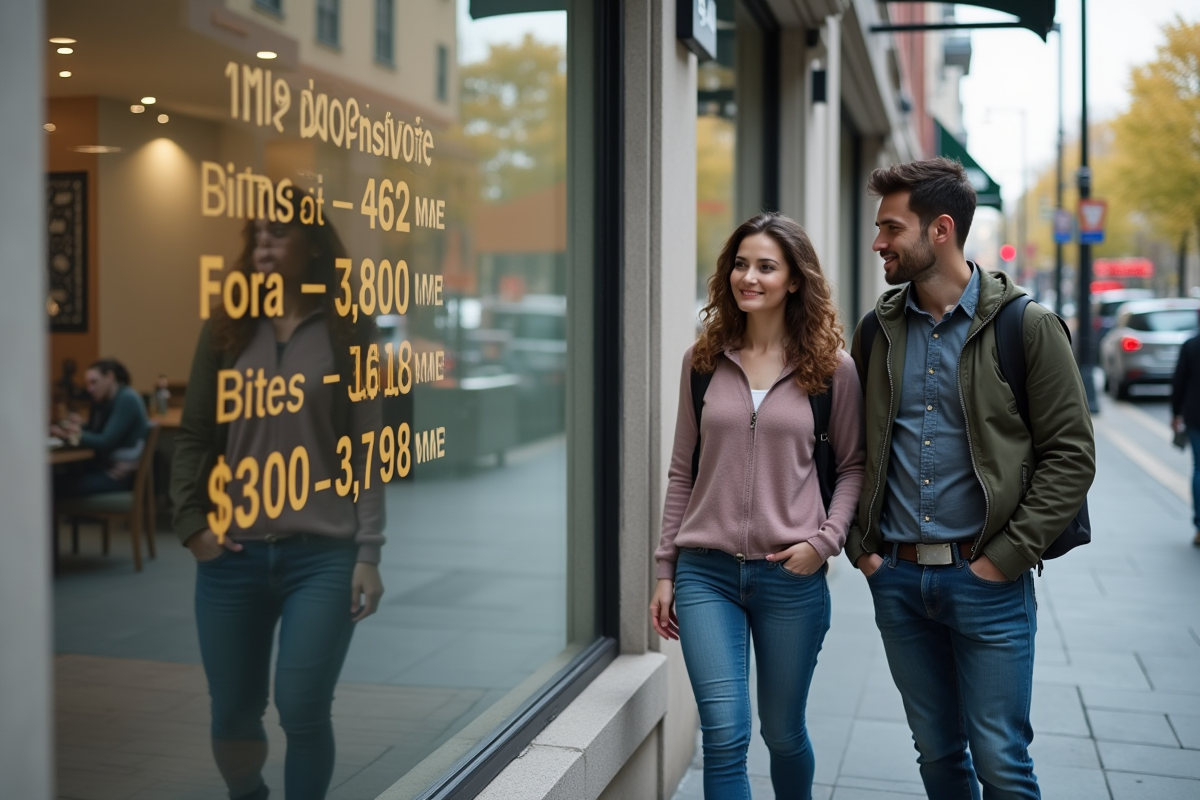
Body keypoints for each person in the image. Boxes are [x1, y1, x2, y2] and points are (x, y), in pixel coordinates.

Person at [847, 158, 1095, 800]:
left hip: (986, 580)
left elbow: (1072, 456)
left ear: (941, 230)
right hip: (897, 580)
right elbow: (846, 448)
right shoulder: (876, 331)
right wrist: (863, 551)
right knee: (937, 756)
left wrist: (1004, 560)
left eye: (890, 228)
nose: (878, 243)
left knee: (1002, 763)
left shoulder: (1026, 326)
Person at [171, 208, 385, 800]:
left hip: (323, 556)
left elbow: (367, 448)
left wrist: (368, 552)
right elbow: (192, 436)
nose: (264, 244)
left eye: (279, 232)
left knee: (303, 708)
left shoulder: (348, 328)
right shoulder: (225, 328)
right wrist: (191, 524)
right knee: (233, 714)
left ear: (313, 246)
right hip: (231, 558)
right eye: (256, 235)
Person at [650, 213, 865, 799]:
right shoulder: (703, 360)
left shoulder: (831, 369)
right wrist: (666, 568)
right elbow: (681, 471)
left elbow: (852, 469)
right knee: (723, 735)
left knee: (783, 732)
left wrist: (823, 545)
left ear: (794, 280)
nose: (749, 277)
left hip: (788, 577)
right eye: (741, 264)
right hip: (705, 574)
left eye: (766, 266)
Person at [52, 358, 150, 496]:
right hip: (104, 468)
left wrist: (73, 435)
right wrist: (77, 428)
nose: (90, 388)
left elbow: (105, 441)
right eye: (88, 384)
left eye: (94, 382)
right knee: (56, 477)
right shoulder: (103, 400)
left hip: (117, 476)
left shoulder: (127, 398)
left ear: (109, 377)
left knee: (52, 485)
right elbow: (95, 432)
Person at [1170, 324, 1200, 546]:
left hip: (1195, 414)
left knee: (1199, 468)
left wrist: (1175, 412)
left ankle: (1199, 526)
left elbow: (1179, 381)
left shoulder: (1191, 344)